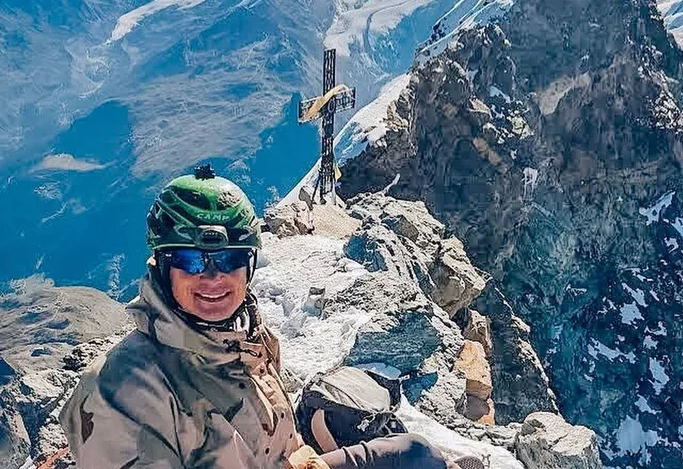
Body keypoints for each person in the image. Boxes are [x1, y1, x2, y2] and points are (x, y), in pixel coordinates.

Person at [59, 165, 482, 469]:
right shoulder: (122, 391)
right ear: (162, 267)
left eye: (230, 259)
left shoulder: (243, 336)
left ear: (250, 266)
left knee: (414, 455)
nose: (212, 277)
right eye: (190, 260)